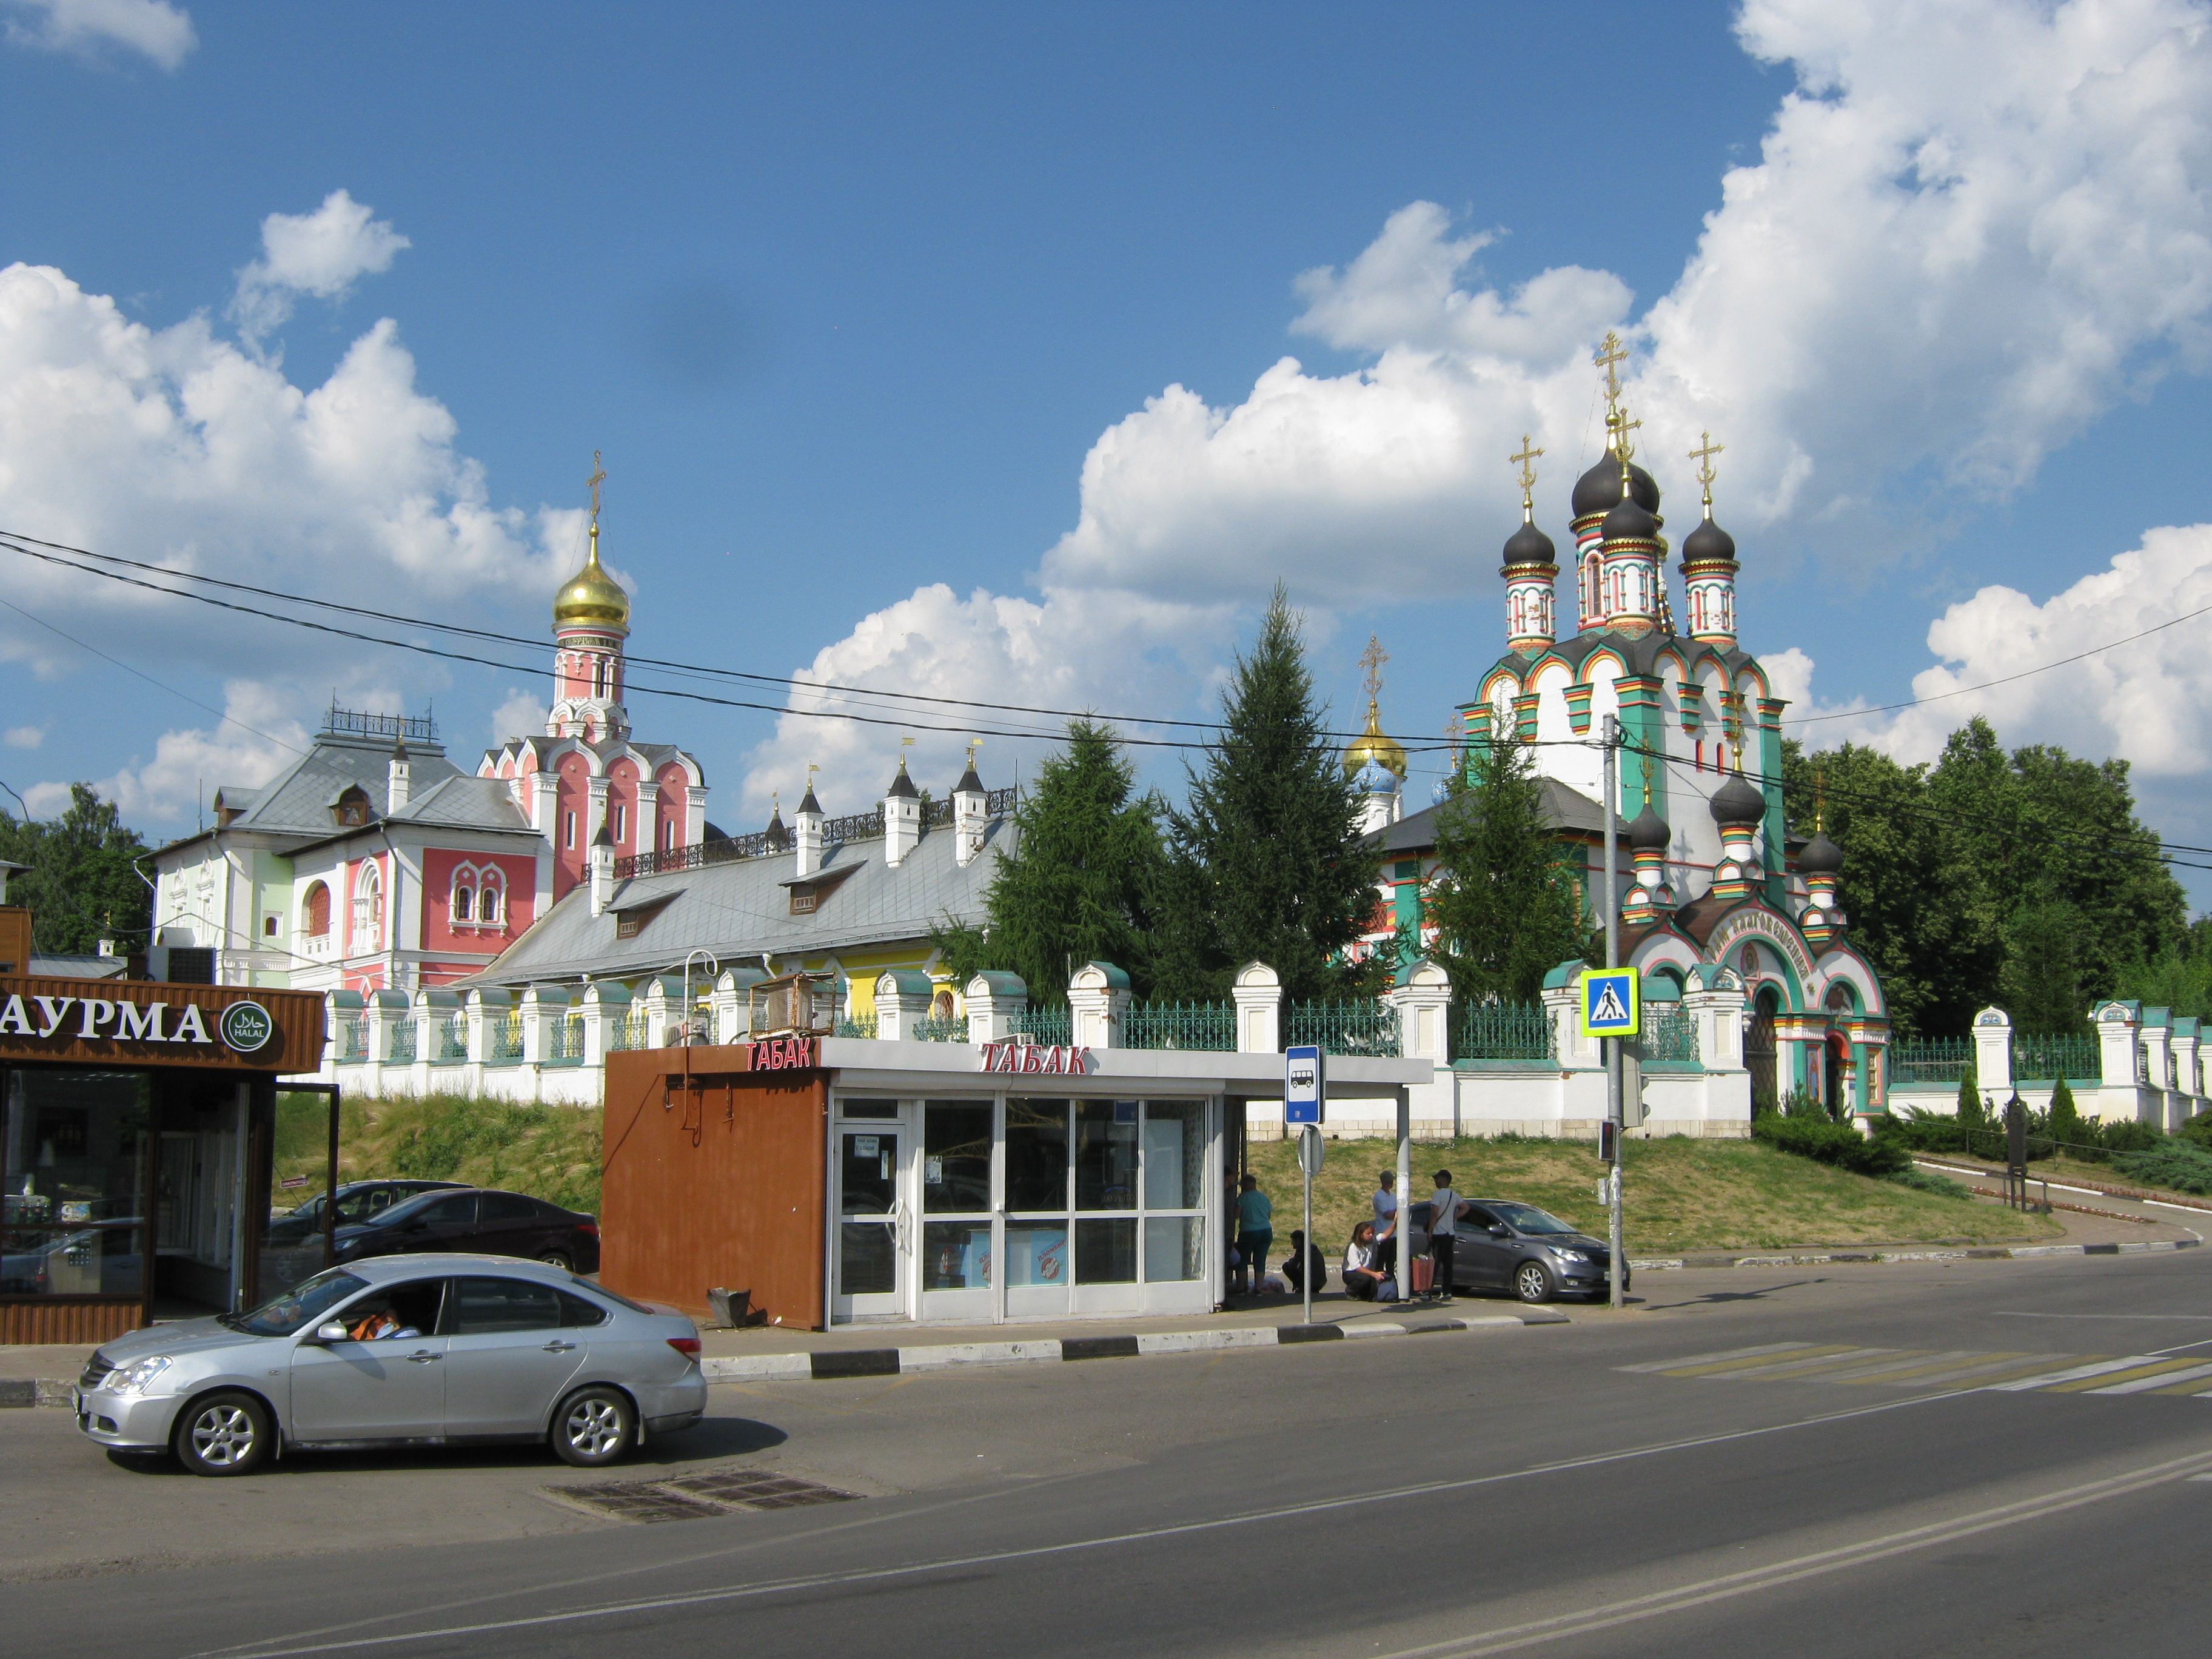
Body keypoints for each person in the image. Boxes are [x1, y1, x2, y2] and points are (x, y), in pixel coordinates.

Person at [1427, 1169, 1465, 1302]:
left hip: (1439, 1233)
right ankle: (1447, 1291)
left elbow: (1435, 1213)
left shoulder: (1438, 1195)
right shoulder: (1454, 1195)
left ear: (1443, 1179)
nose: (1435, 1181)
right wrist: (1454, 1217)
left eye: (1437, 1179)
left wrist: (1430, 1229)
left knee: (1434, 1263)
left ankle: (1429, 1291)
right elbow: (1466, 1207)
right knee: (1448, 1264)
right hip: (1450, 1233)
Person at [1234, 1173, 1274, 1296]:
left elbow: (1236, 1215)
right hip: (1266, 1231)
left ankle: (1241, 1288)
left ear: (1245, 1185)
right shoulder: (1264, 1197)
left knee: (1242, 1260)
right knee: (1260, 1260)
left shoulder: (1243, 1198)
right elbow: (1268, 1215)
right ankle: (1258, 1289)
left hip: (1248, 1232)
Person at [1342, 1221, 1384, 1301]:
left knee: (1371, 1295)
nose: (1371, 1235)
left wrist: (1394, 1223)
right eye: (1368, 1234)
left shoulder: (1371, 1243)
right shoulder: (1353, 1247)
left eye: (1372, 1233)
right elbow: (1357, 1267)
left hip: (1367, 1272)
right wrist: (1374, 1274)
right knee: (1365, 1278)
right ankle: (1350, 1291)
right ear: (1360, 1235)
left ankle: (1361, 1294)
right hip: (1351, 1273)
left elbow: (1384, 1236)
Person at [1280, 1229, 1327, 1296]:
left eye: (1293, 1241)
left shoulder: (1302, 1249)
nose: (1292, 1244)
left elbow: (1292, 1265)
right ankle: (1306, 1287)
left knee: (1286, 1266)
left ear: (1298, 1240)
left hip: (1312, 1282)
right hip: (1321, 1282)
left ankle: (1301, 1287)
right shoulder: (1313, 1249)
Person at [1372, 1171, 1399, 1281]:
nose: (1391, 1183)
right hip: (1383, 1233)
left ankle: (1391, 1283)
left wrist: (1397, 1213)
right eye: (1389, 1182)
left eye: (1392, 1181)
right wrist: (1398, 1213)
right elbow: (1387, 1215)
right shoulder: (1379, 1197)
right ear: (1383, 1182)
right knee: (1380, 1261)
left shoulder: (1393, 1196)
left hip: (1394, 1234)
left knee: (1391, 1262)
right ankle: (1378, 1283)